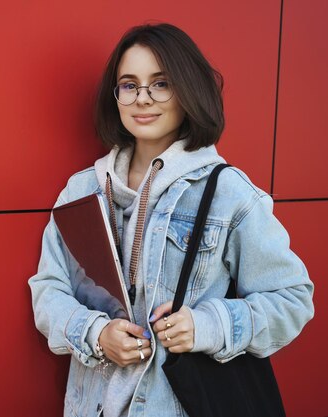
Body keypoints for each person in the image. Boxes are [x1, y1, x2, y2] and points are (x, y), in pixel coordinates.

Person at [28, 23, 314, 417]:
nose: (143, 98)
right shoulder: (82, 192)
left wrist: (206, 326)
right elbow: (48, 290)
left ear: (187, 90)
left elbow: (292, 299)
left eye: (160, 83)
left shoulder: (228, 193)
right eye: (129, 85)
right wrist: (96, 334)